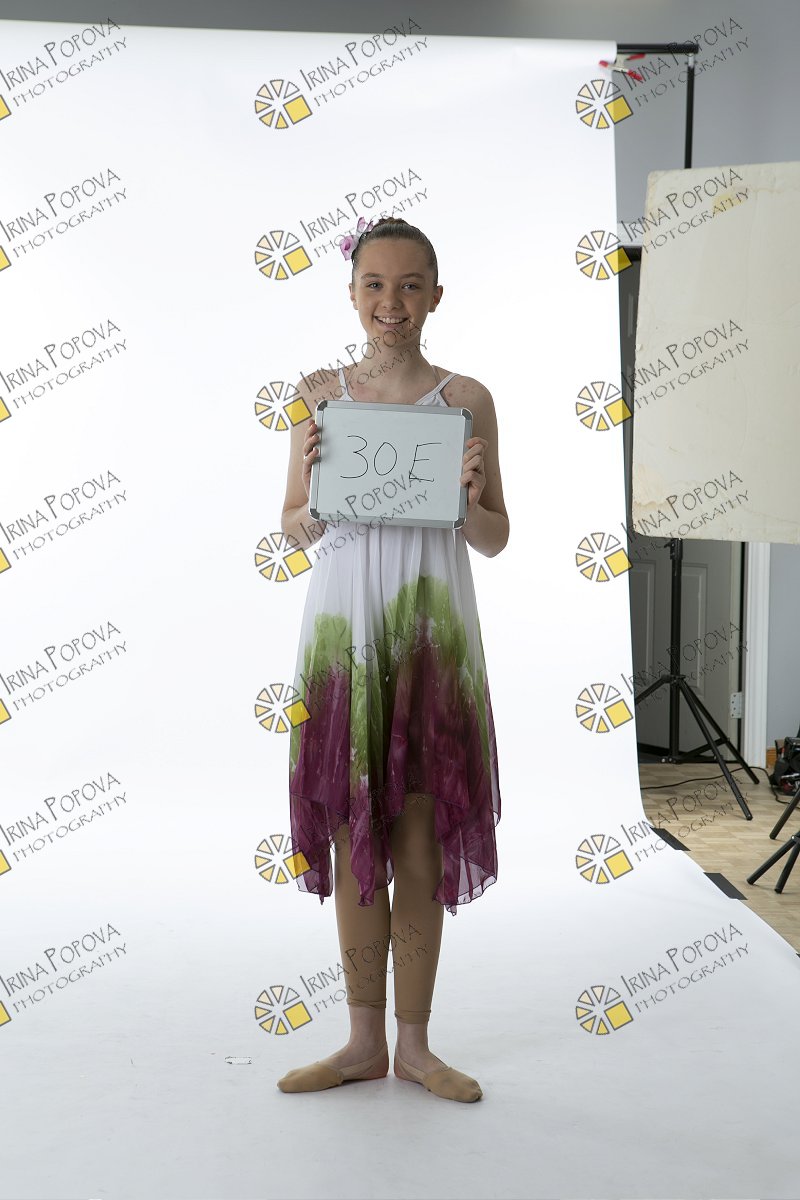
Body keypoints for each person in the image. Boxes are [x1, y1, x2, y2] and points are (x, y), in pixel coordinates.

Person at [278, 216, 508, 1102]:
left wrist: (471, 498)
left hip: (428, 635)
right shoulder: (319, 395)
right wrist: (311, 491)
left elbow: (494, 537)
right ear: (352, 294)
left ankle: (414, 1045)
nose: (391, 302)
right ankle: (361, 1042)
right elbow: (292, 528)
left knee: (416, 840)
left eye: (410, 285)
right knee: (351, 837)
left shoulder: (466, 399)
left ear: (435, 296)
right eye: (375, 284)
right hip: (346, 634)